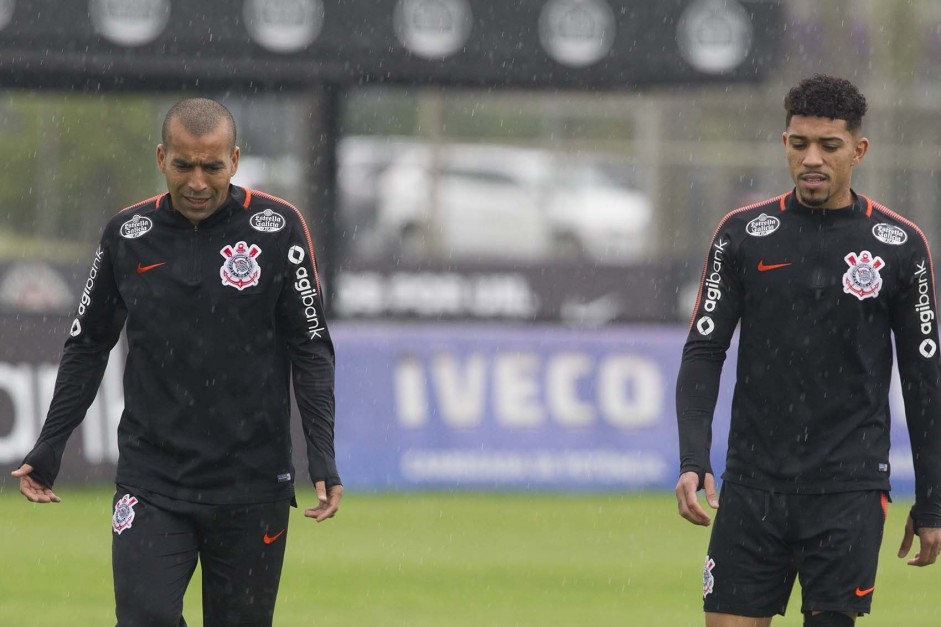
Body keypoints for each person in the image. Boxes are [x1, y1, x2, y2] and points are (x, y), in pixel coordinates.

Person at [11, 98, 342, 627]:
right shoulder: (127, 235)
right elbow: (87, 344)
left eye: (211, 166)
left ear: (234, 161)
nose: (196, 181)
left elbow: (312, 348)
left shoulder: (278, 229)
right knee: (144, 618)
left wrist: (322, 454)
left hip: (253, 483)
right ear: (161, 158)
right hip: (153, 480)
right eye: (183, 165)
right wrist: (50, 445)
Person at [674, 74, 941, 627]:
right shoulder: (743, 234)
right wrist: (694, 459)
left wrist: (934, 497)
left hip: (849, 489)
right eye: (799, 145)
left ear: (858, 150)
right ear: (785, 145)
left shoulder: (900, 246)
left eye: (829, 145)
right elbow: (704, 350)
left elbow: (925, 378)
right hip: (751, 486)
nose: (812, 159)